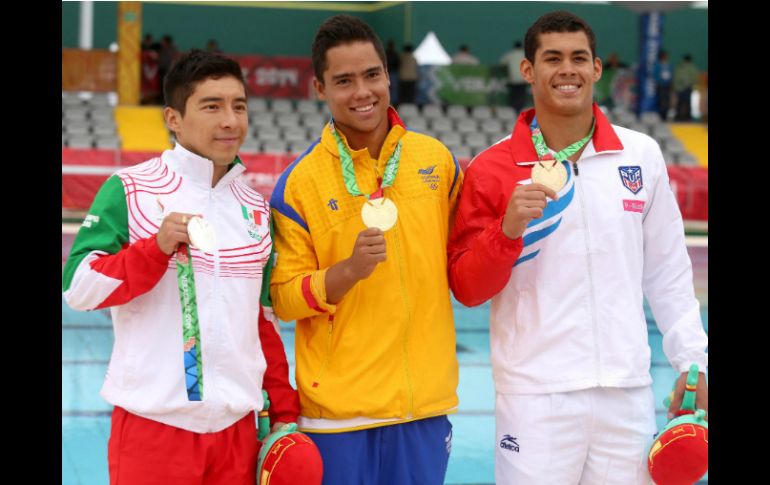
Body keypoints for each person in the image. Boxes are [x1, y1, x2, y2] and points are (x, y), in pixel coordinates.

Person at [447, 11, 708, 485]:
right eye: (552, 58)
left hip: (627, 393)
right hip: (535, 397)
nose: (567, 69)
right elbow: (467, 288)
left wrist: (692, 363)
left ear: (596, 69)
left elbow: (668, 272)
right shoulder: (491, 168)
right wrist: (504, 231)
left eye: (578, 58)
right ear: (528, 70)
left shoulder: (640, 156)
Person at [62, 49, 299, 485]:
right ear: (173, 118)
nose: (230, 120)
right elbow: (77, 287)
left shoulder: (255, 210)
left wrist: (285, 414)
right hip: (155, 429)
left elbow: (261, 322)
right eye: (212, 106)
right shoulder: (130, 189)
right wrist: (153, 250)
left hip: (236, 433)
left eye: (238, 105)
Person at [268, 14, 463, 485]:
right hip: (339, 417)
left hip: (423, 408)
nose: (363, 92)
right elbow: (284, 299)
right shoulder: (299, 186)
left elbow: (466, 259)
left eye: (372, 75)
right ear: (320, 88)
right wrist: (348, 271)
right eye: (344, 81)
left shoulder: (436, 161)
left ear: (387, 75)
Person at [499, 40, 527, 111]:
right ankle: (520, 111)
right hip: (522, 80)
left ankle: (514, 111)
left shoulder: (509, 54)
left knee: (513, 97)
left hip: (513, 79)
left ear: (514, 47)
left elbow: (501, 63)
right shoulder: (525, 54)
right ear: (521, 47)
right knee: (521, 97)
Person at [673, 54, 699, 121]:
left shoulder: (680, 67)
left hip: (683, 88)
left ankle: (680, 116)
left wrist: (677, 86)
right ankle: (686, 117)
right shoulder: (692, 67)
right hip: (686, 87)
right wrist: (687, 84)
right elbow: (694, 78)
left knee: (681, 102)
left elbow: (676, 77)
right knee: (685, 103)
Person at [653, 50, 673, 121]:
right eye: (665, 56)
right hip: (661, 85)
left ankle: (665, 115)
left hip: (668, 85)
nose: (666, 57)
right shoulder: (658, 65)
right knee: (661, 100)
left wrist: (670, 82)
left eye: (667, 56)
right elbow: (654, 75)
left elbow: (671, 74)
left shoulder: (669, 65)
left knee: (667, 100)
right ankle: (661, 115)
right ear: (662, 57)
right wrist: (660, 81)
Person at [385, 39, 400, 104]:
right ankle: (393, 103)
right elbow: (398, 64)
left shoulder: (385, 53)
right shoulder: (395, 54)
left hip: (386, 73)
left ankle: (388, 102)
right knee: (394, 89)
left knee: (387, 88)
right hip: (393, 73)